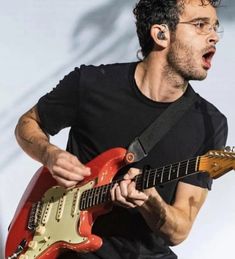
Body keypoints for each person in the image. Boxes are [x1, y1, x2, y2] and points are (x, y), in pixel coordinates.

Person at [15, 0, 228, 258]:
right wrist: (49, 154)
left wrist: (151, 202)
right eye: (200, 25)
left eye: (215, 27)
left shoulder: (209, 122)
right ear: (161, 34)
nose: (214, 36)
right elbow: (28, 124)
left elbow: (179, 230)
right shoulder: (91, 83)